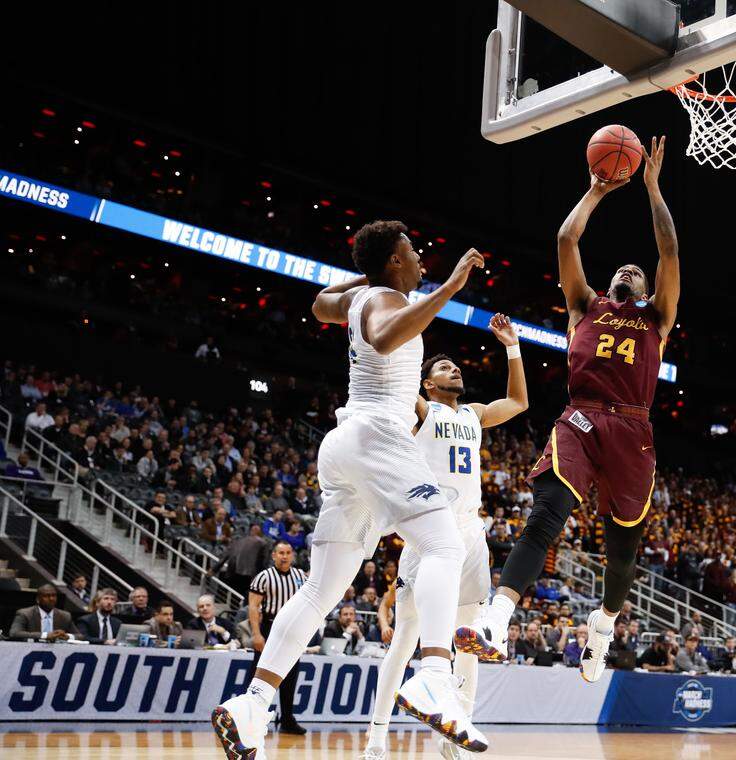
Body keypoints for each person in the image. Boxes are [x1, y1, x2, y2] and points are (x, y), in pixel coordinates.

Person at [213, 221, 489, 757]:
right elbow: (386, 337)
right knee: (444, 545)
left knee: (320, 590)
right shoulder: (385, 297)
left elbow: (319, 304)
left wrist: (363, 279)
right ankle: (434, 671)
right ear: (392, 263)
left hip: (344, 444)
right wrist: (450, 287)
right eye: (412, 253)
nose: (421, 260)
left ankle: (252, 702)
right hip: (378, 437)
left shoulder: (364, 293)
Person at [465, 137, 679, 686]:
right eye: (623, 268)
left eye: (638, 270)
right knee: (546, 516)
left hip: (633, 427)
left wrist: (652, 188)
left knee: (622, 552)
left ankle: (603, 626)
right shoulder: (583, 305)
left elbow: (669, 252)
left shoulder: (656, 317)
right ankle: (498, 615)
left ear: (648, 288)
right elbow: (566, 237)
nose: (630, 270)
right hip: (581, 418)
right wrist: (595, 191)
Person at [368, 314, 528, 759]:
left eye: (456, 366)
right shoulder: (423, 409)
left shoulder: (474, 414)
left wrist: (512, 346)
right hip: (428, 529)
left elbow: (518, 401)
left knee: (469, 640)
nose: (454, 369)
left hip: (469, 532)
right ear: (428, 384)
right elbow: (392, 384)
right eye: (444, 368)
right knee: (405, 641)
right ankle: (376, 738)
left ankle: (452, 737)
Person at [245, 541, 309, 736]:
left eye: (288, 553)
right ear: (273, 555)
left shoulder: (300, 576)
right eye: (281, 553)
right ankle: (251, 718)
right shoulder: (263, 577)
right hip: (269, 627)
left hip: (293, 629)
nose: (284, 556)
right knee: (259, 675)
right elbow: (253, 607)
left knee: (290, 676)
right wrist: (256, 634)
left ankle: (287, 719)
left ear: (292, 556)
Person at [9, 584, 79, 640]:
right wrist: (45, 635)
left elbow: (80, 636)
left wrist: (67, 636)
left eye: (54, 595)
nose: (51, 599)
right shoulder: (25, 614)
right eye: (47, 596)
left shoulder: (65, 616)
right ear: (38, 599)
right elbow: (14, 633)